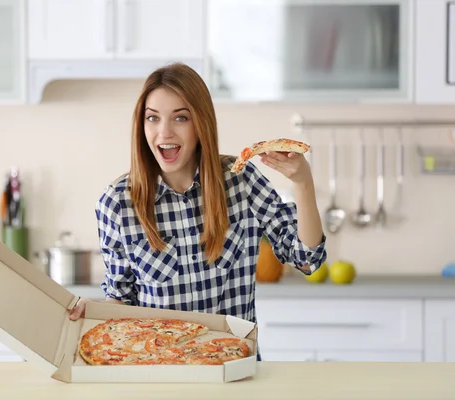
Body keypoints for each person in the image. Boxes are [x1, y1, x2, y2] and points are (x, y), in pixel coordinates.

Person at [69, 62, 327, 360]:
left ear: (200, 123)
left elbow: (307, 259)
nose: (164, 131)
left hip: (234, 375)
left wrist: (303, 183)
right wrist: (95, 308)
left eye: (180, 118)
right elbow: (123, 301)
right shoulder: (117, 203)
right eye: (153, 118)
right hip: (161, 379)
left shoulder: (240, 181)